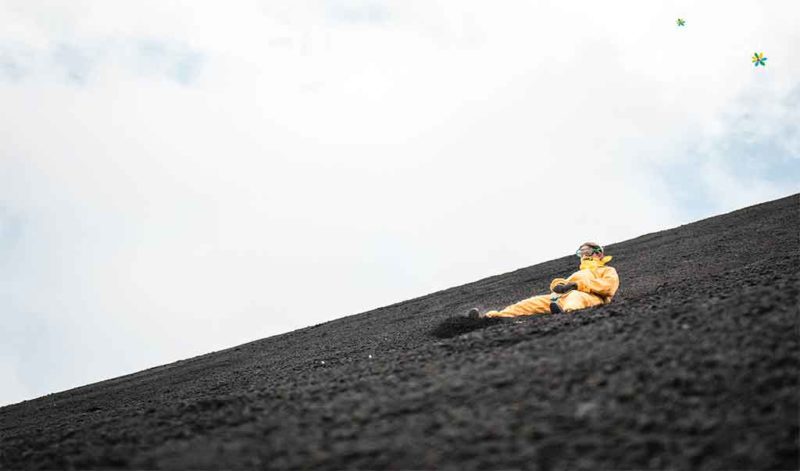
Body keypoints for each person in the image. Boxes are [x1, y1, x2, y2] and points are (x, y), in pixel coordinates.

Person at [468, 242, 620, 318]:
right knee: (529, 303)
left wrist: (576, 285)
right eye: (581, 252)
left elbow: (608, 287)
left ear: (598, 254)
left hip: (589, 296)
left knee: (575, 297)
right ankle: (492, 317)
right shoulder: (578, 273)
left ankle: (570, 315)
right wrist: (559, 285)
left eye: (587, 251)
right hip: (560, 298)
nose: (584, 255)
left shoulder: (607, 270)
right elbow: (561, 284)